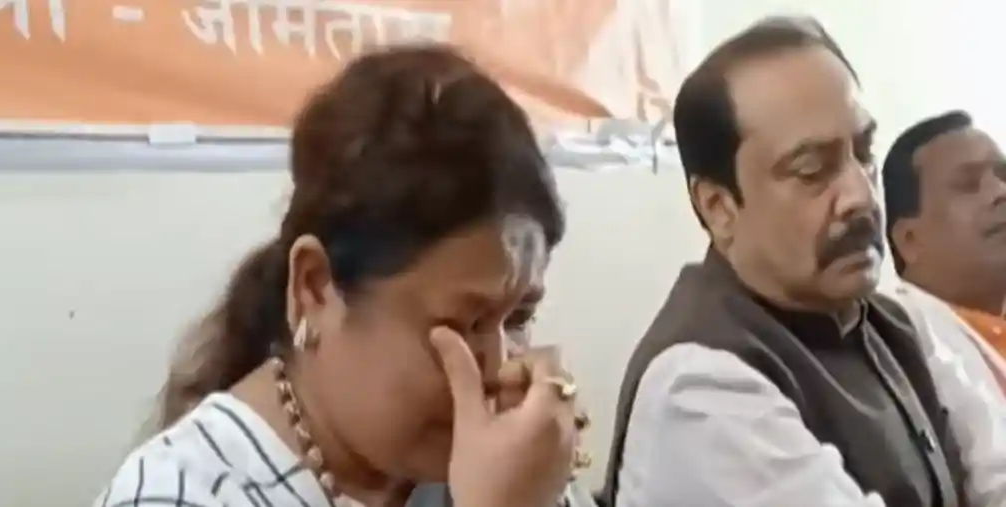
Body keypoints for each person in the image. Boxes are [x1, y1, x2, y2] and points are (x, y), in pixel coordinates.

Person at [94, 44, 592, 507]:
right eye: (462, 326)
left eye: (518, 318)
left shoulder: (504, 459)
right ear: (314, 288)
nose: (499, 372)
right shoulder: (178, 494)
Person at [601, 17, 1006, 507]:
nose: (861, 195)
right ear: (719, 207)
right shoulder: (699, 387)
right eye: (812, 170)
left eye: (864, 153)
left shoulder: (896, 326)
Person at [882, 111, 1006, 394]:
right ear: (910, 240)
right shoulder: (898, 355)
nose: (1001, 191)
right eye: (968, 185)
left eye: (1004, 176)